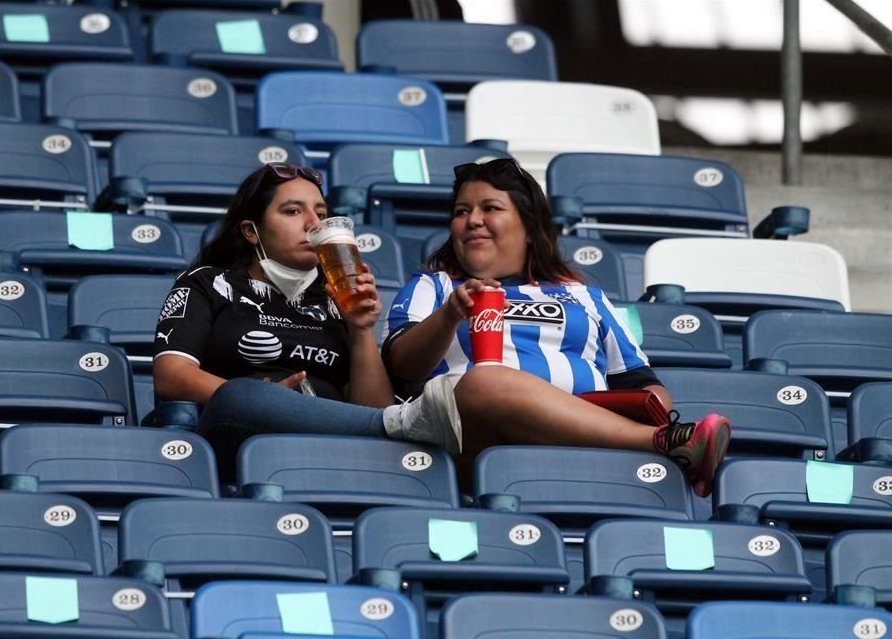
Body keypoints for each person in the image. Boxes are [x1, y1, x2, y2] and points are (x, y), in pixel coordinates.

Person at [383, 158, 731, 497]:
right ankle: (665, 444)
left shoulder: (584, 295)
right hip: (472, 440)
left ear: (530, 228)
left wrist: (647, 407)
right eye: (461, 212)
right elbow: (401, 366)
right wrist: (450, 314)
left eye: (490, 208)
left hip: (587, 448)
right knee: (484, 380)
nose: (473, 220)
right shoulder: (436, 287)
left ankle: (658, 441)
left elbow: (643, 385)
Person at [152, 163, 461, 478]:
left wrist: (360, 328)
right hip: (241, 435)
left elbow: (372, 408)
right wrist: (270, 399)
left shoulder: (336, 298)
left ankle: (397, 424)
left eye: (322, 214)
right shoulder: (208, 283)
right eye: (292, 212)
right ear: (251, 231)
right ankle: (403, 424)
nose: (314, 225)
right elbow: (170, 377)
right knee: (239, 394)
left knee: (381, 419)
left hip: (332, 447)